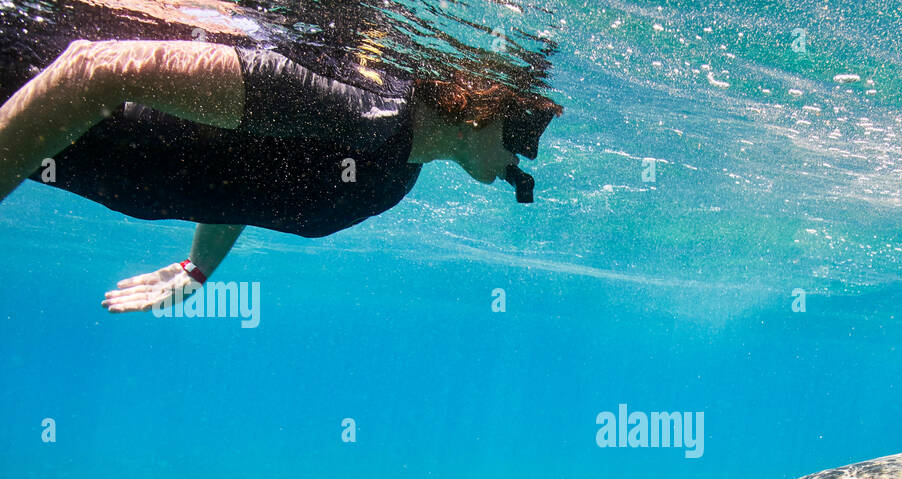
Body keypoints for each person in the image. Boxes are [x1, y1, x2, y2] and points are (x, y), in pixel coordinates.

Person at [0, 0, 562, 312]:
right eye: (527, 129)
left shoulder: (393, 176)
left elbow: (253, 177)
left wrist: (199, 267)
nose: (528, 154)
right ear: (484, 101)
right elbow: (92, 68)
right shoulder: (356, 107)